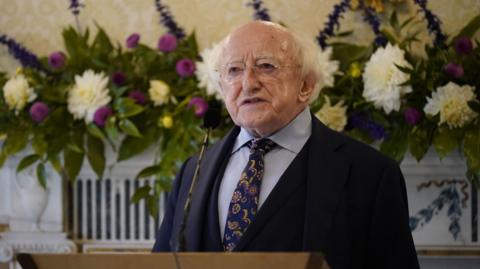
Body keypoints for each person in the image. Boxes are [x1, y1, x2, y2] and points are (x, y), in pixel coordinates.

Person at [153, 21, 419, 269]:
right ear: (222, 86)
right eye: (234, 70)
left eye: (266, 66)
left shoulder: (371, 174)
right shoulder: (193, 171)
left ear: (305, 85)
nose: (247, 84)